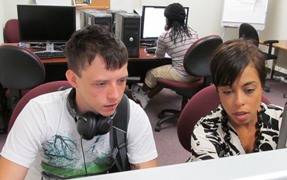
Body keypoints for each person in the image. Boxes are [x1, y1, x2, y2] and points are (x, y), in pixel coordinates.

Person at [0, 24, 158, 179]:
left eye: (121, 81)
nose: (115, 95)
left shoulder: (133, 115)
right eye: (101, 83)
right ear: (74, 79)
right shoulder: (38, 113)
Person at [189, 39, 283, 161]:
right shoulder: (205, 132)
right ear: (218, 91)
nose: (239, 102)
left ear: (262, 86)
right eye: (228, 92)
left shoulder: (282, 121)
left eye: (249, 90)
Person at [131, 3, 200, 109]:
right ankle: (147, 96)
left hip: (182, 75)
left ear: (168, 19)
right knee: (164, 73)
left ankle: (142, 94)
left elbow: (159, 55)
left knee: (152, 73)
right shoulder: (193, 32)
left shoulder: (165, 36)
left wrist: (166, 33)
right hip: (196, 73)